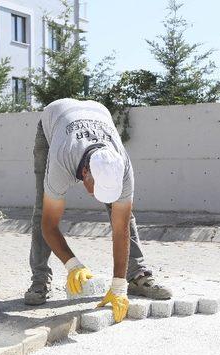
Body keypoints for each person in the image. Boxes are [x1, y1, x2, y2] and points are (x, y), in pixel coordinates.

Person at [25, 98, 172, 322]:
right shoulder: (61, 160)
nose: (96, 195)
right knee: (42, 208)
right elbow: (49, 224)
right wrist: (73, 265)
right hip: (54, 124)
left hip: (96, 116)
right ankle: (40, 280)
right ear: (85, 172)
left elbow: (120, 227)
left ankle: (136, 276)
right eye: (96, 188)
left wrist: (118, 286)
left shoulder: (122, 167)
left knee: (124, 215)